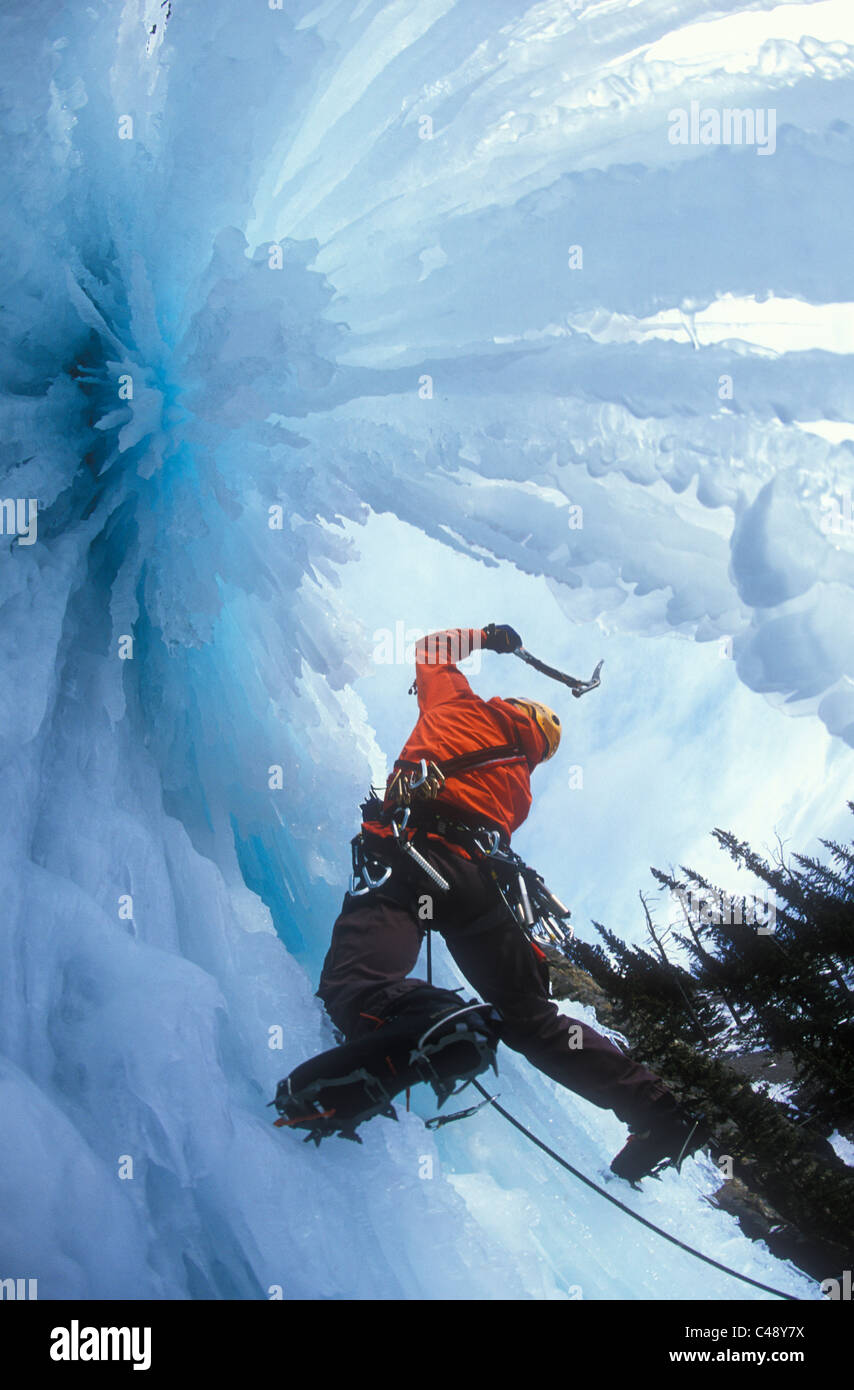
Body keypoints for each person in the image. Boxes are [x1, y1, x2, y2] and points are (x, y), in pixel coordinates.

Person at [308, 624, 703, 1181]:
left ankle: (427, 1022)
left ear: (512, 708)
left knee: (358, 983)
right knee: (534, 1021)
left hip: (413, 857)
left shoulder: (464, 708)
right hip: (484, 889)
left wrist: (489, 636)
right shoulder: (519, 781)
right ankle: (660, 1112)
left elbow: (429, 649)